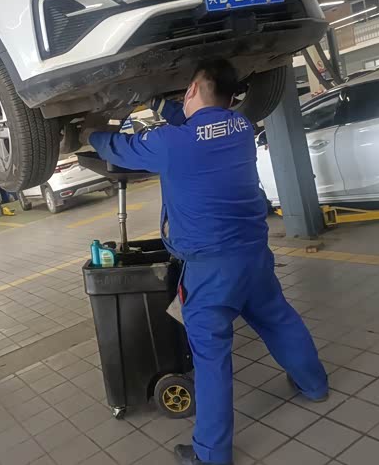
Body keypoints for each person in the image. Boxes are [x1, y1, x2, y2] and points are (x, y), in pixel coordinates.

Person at [81, 61, 328, 465]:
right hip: (253, 256)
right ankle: (313, 384)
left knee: (212, 358)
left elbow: (118, 148)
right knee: (278, 319)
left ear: (193, 89)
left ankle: (212, 454)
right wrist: (160, 103)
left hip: (210, 270)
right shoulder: (240, 127)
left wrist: (89, 132)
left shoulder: (169, 143)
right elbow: (198, 126)